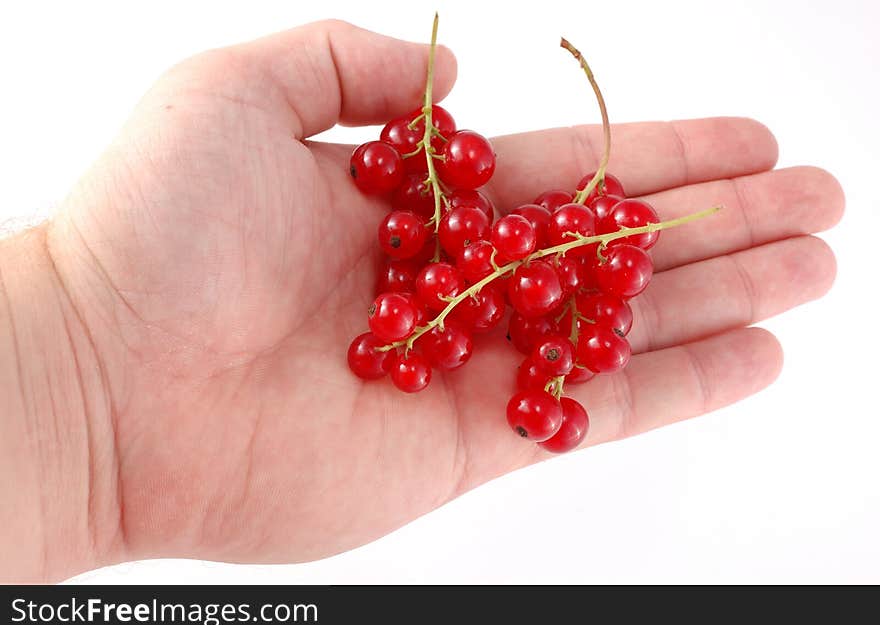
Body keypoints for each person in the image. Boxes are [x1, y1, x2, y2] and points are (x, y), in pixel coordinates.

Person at [0, 20, 843, 583]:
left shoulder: (535, 281)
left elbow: (518, 289)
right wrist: (84, 338)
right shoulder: (447, 231)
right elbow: (475, 274)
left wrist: (78, 361)